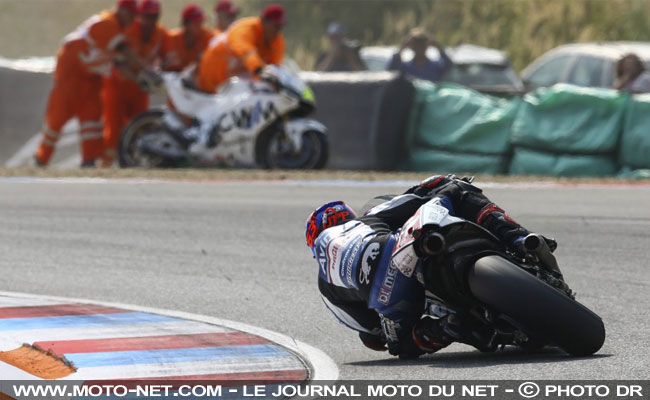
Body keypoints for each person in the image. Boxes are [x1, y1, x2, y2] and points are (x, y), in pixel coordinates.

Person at [305, 175, 558, 359]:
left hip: (387, 295)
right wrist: (445, 188)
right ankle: (519, 238)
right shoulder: (368, 219)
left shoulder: (325, 285)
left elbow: (370, 333)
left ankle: (446, 329)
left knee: (401, 345)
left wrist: (384, 333)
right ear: (348, 216)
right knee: (459, 190)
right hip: (399, 247)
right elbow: (416, 199)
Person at [34, 0, 150, 167]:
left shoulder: (117, 31)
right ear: (122, 11)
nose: (133, 20)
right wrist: (149, 72)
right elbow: (126, 52)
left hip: (91, 80)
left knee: (92, 123)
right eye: (131, 15)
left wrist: (139, 80)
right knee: (56, 121)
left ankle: (89, 162)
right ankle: (41, 160)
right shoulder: (106, 23)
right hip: (71, 78)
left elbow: (119, 64)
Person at [101, 0, 167, 167]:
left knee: (139, 129)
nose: (151, 21)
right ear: (140, 16)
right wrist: (139, 77)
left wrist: (158, 73)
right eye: (148, 16)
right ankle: (106, 167)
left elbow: (165, 58)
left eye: (155, 16)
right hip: (118, 86)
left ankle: (131, 165)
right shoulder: (129, 30)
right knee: (114, 130)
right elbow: (119, 63)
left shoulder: (160, 33)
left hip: (140, 90)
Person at [196, 4, 286, 94]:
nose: (278, 30)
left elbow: (274, 66)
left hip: (233, 81)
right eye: (276, 26)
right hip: (212, 78)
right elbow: (245, 51)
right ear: (263, 20)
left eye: (280, 26)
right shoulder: (246, 28)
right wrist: (259, 70)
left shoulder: (277, 40)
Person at [162, 4, 214, 72]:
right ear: (185, 23)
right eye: (195, 23)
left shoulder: (208, 37)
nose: (199, 26)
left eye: (200, 22)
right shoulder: (171, 38)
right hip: (172, 75)